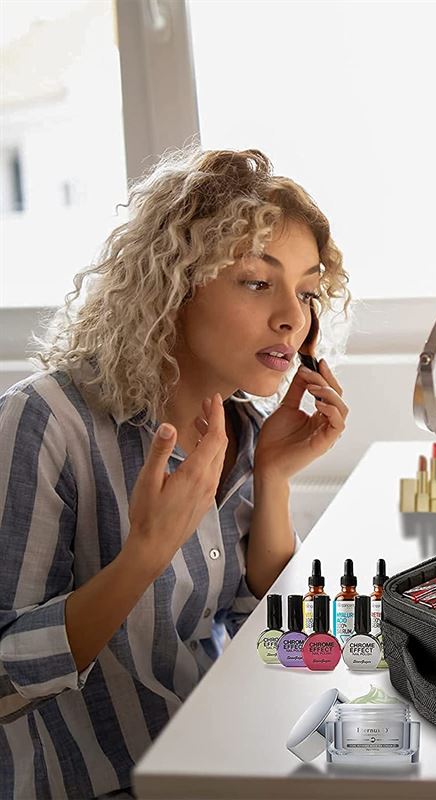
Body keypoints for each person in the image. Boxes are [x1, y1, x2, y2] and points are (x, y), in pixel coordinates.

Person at [0, 146, 350, 799]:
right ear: (172, 287)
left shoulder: (241, 430)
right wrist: (143, 557)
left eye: (305, 292)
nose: (291, 317)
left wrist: (273, 478)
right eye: (256, 281)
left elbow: (267, 637)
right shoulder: (46, 423)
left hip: (207, 756)